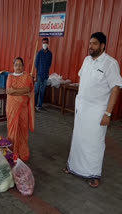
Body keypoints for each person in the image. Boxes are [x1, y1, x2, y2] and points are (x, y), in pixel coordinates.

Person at [63, 32, 122, 188]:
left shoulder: (110, 63)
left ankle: (94, 174)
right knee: (78, 139)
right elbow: (84, 82)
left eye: (94, 43)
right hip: (82, 110)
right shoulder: (87, 61)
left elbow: (116, 88)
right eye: (90, 43)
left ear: (103, 46)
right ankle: (73, 167)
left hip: (97, 112)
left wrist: (108, 113)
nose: (90, 46)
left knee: (94, 143)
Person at [6, 57, 35, 161]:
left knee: (22, 130)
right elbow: (9, 91)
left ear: (23, 66)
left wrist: (15, 91)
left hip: (23, 109)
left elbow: (28, 89)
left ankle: (23, 153)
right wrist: (22, 92)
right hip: (12, 108)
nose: (18, 67)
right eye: (16, 65)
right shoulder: (10, 76)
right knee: (12, 130)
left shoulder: (27, 77)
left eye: (20, 65)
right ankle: (12, 151)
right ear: (13, 66)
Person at [32, 37, 52, 111]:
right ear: (42, 44)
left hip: (45, 75)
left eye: (46, 43)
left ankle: (39, 106)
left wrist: (46, 74)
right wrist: (36, 76)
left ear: (48, 43)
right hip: (39, 75)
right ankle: (34, 105)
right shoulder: (39, 53)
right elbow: (36, 65)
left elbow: (49, 64)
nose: (44, 44)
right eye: (43, 43)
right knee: (36, 90)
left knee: (42, 91)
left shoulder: (50, 54)